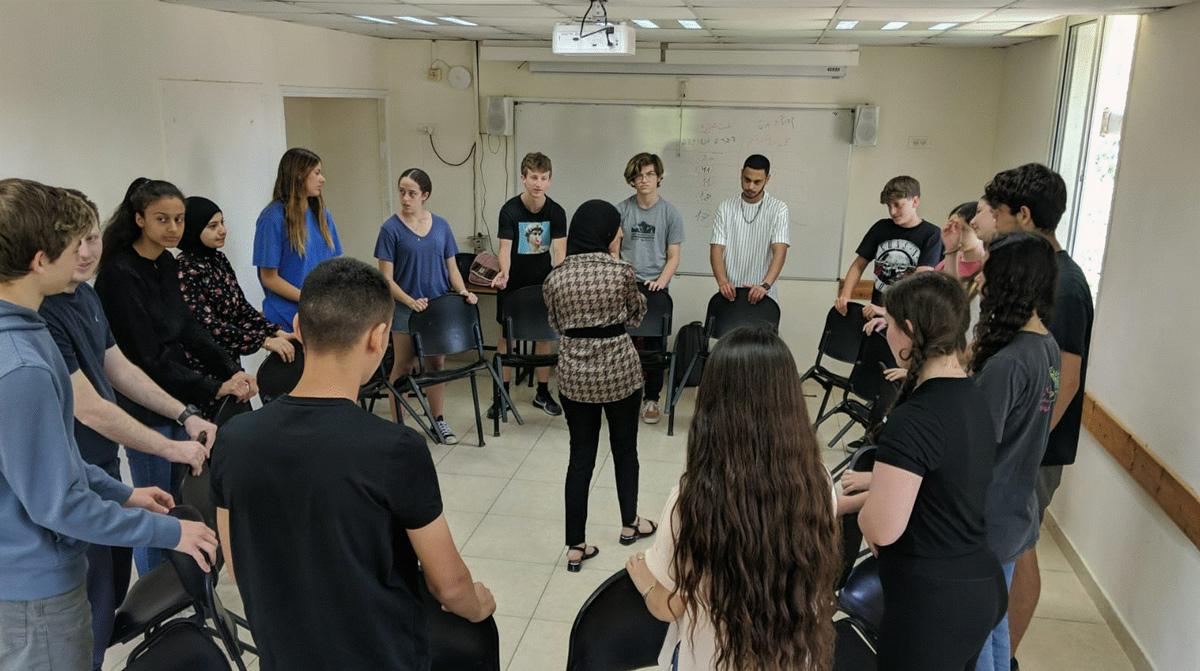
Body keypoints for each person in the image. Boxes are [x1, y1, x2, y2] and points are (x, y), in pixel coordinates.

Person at [210, 257, 495, 670]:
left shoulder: (234, 439)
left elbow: (237, 566)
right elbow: (449, 586)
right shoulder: (395, 448)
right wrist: (478, 605)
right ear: (378, 338)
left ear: (297, 330)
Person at [0, 179, 217, 671]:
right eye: (72, 242)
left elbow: (58, 459)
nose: (85, 252)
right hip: (32, 585)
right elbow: (58, 503)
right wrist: (167, 533)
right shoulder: (21, 364)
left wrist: (120, 493)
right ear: (40, 259)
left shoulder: (30, 334)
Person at [625, 326, 840, 670]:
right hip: (796, 657)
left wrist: (643, 582)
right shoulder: (819, 482)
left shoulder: (693, 498)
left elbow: (670, 606)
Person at [94, 178, 256, 574]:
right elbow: (145, 357)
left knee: (180, 498)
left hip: (176, 400)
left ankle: (179, 588)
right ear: (138, 219)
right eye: (161, 219)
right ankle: (155, 593)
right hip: (141, 406)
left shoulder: (165, 263)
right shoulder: (118, 274)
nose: (172, 228)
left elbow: (187, 329)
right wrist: (214, 385)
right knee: (156, 506)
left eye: (179, 219)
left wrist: (233, 370)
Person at [858, 271, 1006, 671]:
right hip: (979, 583)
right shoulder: (973, 396)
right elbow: (941, 490)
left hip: (935, 603)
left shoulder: (916, 417)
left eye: (889, 324)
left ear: (907, 331)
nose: (885, 333)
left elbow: (882, 528)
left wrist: (864, 509)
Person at [983, 164, 1093, 669]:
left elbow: (1064, 381)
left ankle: (1005, 658)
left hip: (1034, 447)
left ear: (1024, 216)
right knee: (1013, 547)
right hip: (1023, 443)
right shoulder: (1036, 274)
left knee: (1017, 550)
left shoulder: (1062, 285)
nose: (994, 223)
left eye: (1000, 215)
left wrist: (1020, 452)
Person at [543, 199, 656, 572]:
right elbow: (637, 316)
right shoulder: (622, 271)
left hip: (575, 376)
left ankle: (575, 545)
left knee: (580, 458)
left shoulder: (555, 277)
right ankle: (629, 524)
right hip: (619, 372)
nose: (620, 233)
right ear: (607, 232)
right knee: (625, 450)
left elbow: (557, 325)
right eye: (617, 228)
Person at [969, 232, 1061, 671]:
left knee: (978, 633)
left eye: (990, 273)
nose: (982, 282)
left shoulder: (1006, 364)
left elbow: (975, 447)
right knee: (996, 625)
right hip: (1016, 510)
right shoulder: (1048, 347)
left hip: (988, 517)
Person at [374, 168, 477, 445]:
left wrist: (464, 291)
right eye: (402, 192)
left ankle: (438, 420)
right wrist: (408, 300)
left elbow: (452, 269)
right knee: (404, 364)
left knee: (436, 363)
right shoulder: (390, 229)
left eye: (412, 193)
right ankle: (398, 426)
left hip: (436, 308)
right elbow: (386, 278)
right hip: (406, 309)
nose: (405, 199)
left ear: (425, 195)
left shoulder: (441, 226)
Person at [488, 152, 567, 418]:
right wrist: (505, 273)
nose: (538, 183)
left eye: (544, 178)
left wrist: (558, 279)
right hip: (514, 283)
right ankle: (502, 392)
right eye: (533, 177)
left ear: (550, 181)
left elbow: (559, 252)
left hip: (543, 283)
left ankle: (543, 392)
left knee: (544, 336)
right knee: (505, 337)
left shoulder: (556, 211)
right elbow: (504, 248)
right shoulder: (509, 210)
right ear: (523, 178)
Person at [178, 195, 296, 367]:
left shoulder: (219, 259)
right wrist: (264, 341)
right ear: (193, 229)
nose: (222, 230)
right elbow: (207, 324)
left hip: (229, 362)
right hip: (202, 367)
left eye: (222, 223)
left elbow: (241, 309)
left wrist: (276, 331)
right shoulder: (186, 269)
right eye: (213, 226)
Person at [617, 152, 684, 425]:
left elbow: (674, 256)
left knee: (655, 346)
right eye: (639, 175)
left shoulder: (670, 213)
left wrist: (661, 281)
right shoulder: (621, 210)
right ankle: (623, 396)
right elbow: (613, 251)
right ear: (632, 179)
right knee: (623, 343)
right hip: (626, 285)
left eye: (650, 174)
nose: (644, 180)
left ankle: (651, 399)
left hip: (656, 287)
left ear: (659, 178)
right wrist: (621, 276)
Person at [835, 175, 942, 333]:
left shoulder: (932, 234)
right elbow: (858, 265)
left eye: (898, 205)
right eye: (889, 206)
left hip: (907, 320)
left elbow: (921, 282)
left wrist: (888, 312)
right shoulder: (881, 228)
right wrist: (845, 295)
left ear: (915, 201)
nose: (892, 212)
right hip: (875, 315)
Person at [253, 147, 342, 331]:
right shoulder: (272, 218)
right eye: (317, 173)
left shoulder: (322, 215)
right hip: (287, 319)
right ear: (299, 175)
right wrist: (308, 298)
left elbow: (335, 264)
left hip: (321, 315)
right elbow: (269, 278)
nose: (322, 179)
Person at [709, 154, 789, 305]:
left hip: (764, 294)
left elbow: (780, 251)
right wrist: (722, 282)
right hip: (731, 294)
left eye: (757, 182)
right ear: (741, 174)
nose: (750, 186)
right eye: (747, 180)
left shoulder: (779, 209)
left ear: (767, 179)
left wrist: (765, 285)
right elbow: (716, 249)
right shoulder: (725, 207)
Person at [936, 201, 986, 283]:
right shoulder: (945, 263)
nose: (955, 234)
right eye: (952, 227)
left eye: (963, 229)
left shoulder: (986, 267)